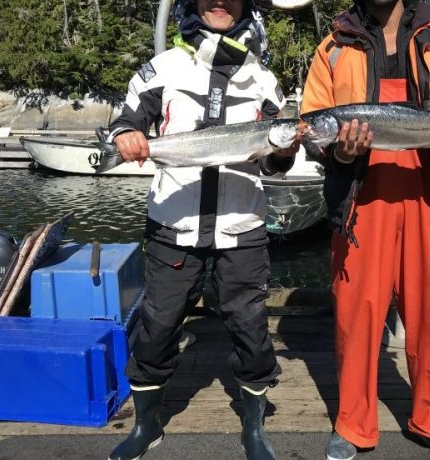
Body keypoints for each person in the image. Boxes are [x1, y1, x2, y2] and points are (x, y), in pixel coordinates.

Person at [106, 1, 300, 459]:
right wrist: (124, 135)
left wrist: (285, 151)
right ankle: (146, 425)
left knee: (251, 327)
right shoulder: (163, 67)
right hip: (174, 224)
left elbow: (274, 164)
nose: (220, 1)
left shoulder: (263, 79)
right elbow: (126, 118)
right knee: (158, 325)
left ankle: (254, 426)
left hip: (242, 225)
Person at [301, 1, 430, 459]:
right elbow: (312, 124)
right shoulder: (333, 45)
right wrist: (339, 152)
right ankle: (353, 423)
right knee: (357, 315)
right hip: (360, 198)